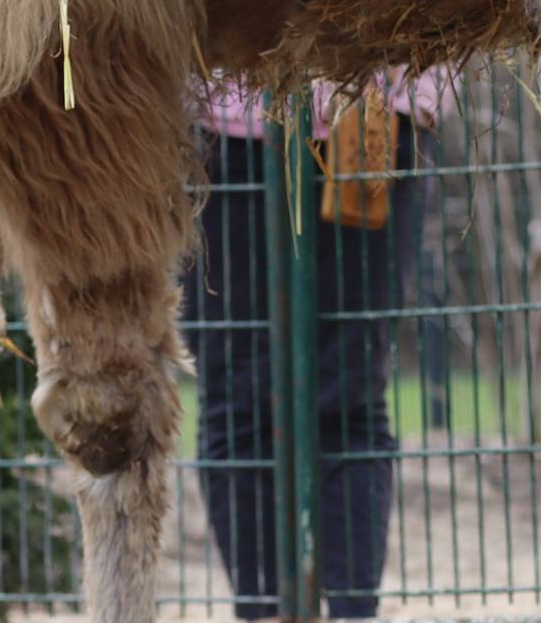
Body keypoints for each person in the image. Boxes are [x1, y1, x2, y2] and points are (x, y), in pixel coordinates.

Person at [185, 68, 452, 620]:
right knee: (238, 397)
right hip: (227, 126)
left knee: (347, 394)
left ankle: (351, 610)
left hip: (369, 119)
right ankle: (265, 610)